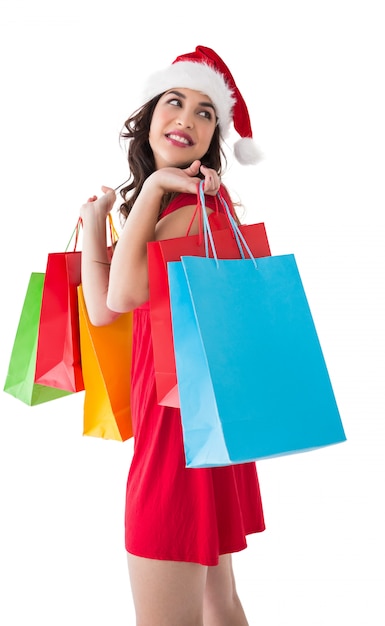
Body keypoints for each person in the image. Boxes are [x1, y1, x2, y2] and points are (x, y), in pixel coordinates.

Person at [80, 45, 265, 626]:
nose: (187, 118)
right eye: (175, 101)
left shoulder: (188, 209)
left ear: (215, 139)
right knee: (217, 602)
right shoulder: (174, 208)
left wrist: (158, 185)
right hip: (205, 429)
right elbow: (106, 312)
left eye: (206, 112)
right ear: (150, 116)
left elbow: (121, 296)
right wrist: (95, 225)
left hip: (175, 438)